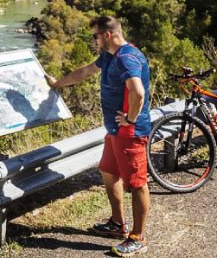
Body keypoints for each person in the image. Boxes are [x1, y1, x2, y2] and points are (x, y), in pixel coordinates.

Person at [45, 16, 151, 257]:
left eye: (95, 36)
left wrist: (131, 119)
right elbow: (85, 72)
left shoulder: (126, 58)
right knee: (109, 171)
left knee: (136, 184)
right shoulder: (110, 56)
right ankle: (117, 223)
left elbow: (138, 92)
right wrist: (58, 83)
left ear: (108, 35)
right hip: (115, 132)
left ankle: (138, 237)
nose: (94, 41)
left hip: (130, 133)